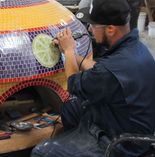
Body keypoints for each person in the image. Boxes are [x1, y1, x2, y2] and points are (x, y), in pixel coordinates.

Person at [31, 0, 155, 156]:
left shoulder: (108, 71)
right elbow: (101, 71)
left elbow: (73, 83)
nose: (89, 28)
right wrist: (71, 54)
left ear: (110, 29)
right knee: (71, 109)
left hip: (121, 144)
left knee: (41, 152)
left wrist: (69, 50)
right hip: (134, 127)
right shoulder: (137, 49)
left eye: (94, 25)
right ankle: (74, 140)